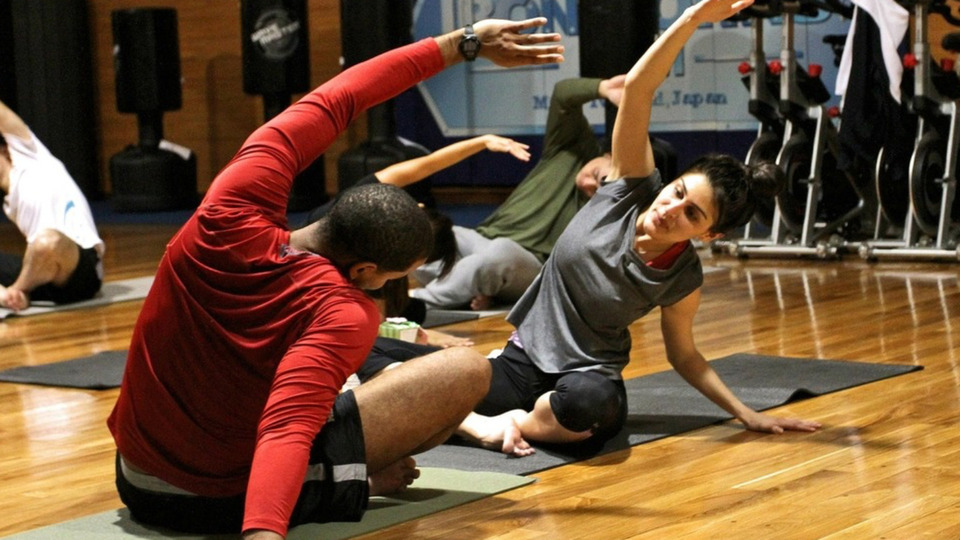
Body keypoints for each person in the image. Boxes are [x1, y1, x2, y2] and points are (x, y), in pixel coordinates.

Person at [107, 18, 563, 540]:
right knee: (465, 371)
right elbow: (286, 425)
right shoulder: (343, 310)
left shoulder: (229, 204)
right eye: (395, 277)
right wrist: (262, 533)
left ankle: (343, 478)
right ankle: (340, 484)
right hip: (214, 500)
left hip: (133, 473)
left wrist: (464, 43)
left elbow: (340, 97)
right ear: (365, 270)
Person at [378, 0, 822, 457]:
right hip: (520, 363)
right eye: (677, 192)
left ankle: (510, 424)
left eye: (693, 214)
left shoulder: (682, 278)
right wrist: (691, 19)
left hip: (587, 377)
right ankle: (487, 422)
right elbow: (638, 90)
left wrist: (745, 413)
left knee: (593, 410)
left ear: (709, 235)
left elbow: (684, 355)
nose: (671, 208)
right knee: (378, 356)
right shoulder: (628, 188)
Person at [409, 74, 626, 310]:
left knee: (496, 255)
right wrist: (603, 88)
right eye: (599, 177)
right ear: (610, 155)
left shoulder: (613, 209)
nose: (588, 184)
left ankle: (412, 304)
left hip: (533, 265)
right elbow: (563, 95)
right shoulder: (569, 149)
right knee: (431, 233)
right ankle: (477, 287)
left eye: (601, 191)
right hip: (483, 239)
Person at [299, 134, 531, 339]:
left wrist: (481, 142)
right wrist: (424, 338)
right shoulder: (326, 281)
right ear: (366, 269)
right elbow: (373, 333)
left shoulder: (366, 207)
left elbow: (425, 165)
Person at [0, 99, 104, 312]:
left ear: (4, 150)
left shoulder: (30, 155)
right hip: (43, 275)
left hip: (80, 271)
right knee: (41, 247)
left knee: (47, 242)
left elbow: (3, 116)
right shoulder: (8, 204)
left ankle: (17, 291)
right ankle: (9, 296)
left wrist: (17, 286)